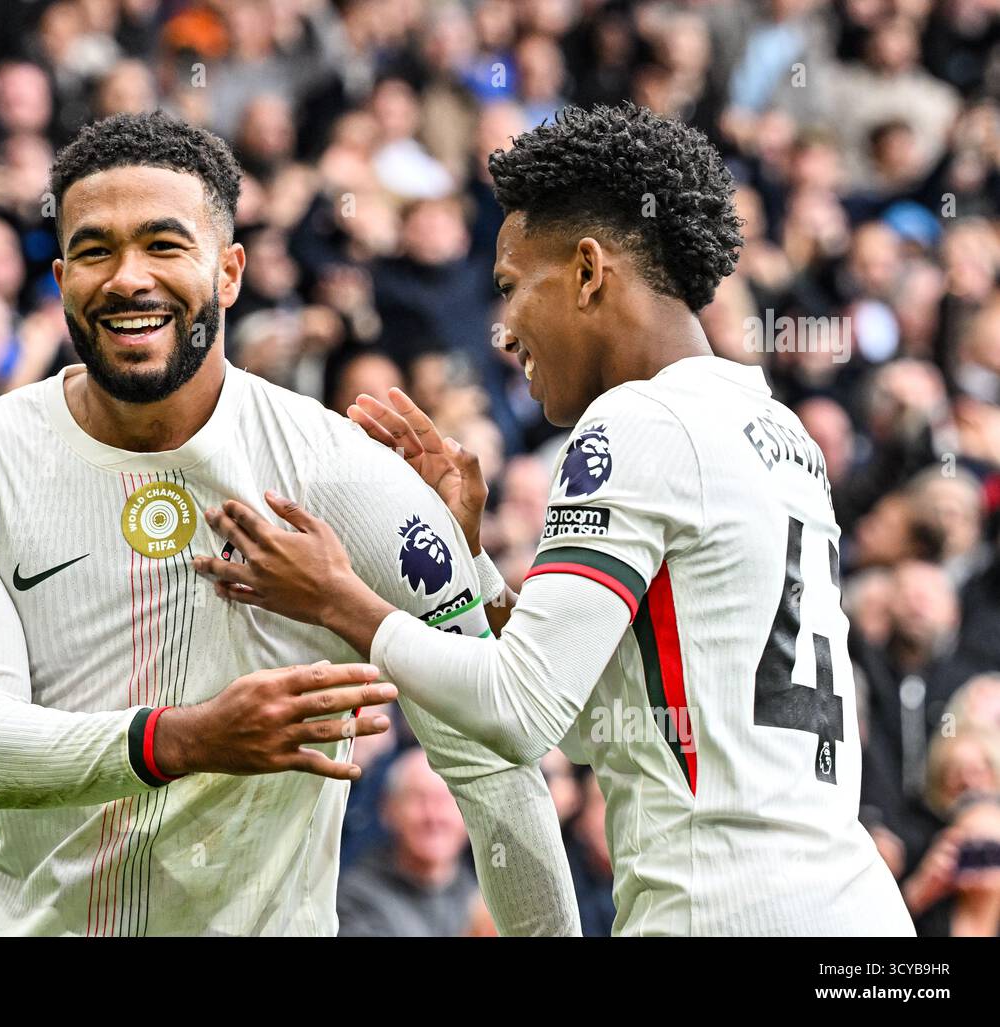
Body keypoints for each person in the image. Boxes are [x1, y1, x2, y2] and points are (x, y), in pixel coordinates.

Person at [193, 103, 916, 936]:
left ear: (586, 271)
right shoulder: (778, 427)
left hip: (724, 911)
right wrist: (471, 561)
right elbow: (587, 722)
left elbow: (517, 708)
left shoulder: (636, 423)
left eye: (508, 288)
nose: (502, 332)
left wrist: (337, 598)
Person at [0, 111, 573, 937]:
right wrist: (185, 739)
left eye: (165, 245)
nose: (128, 278)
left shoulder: (342, 472)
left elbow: (494, 766)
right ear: (62, 276)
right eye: (96, 250)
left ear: (230, 271)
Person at [336, 747, 478, 937]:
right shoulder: (354, 898)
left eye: (445, 800)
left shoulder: (482, 896)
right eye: (419, 799)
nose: (433, 816)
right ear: (388, 809)